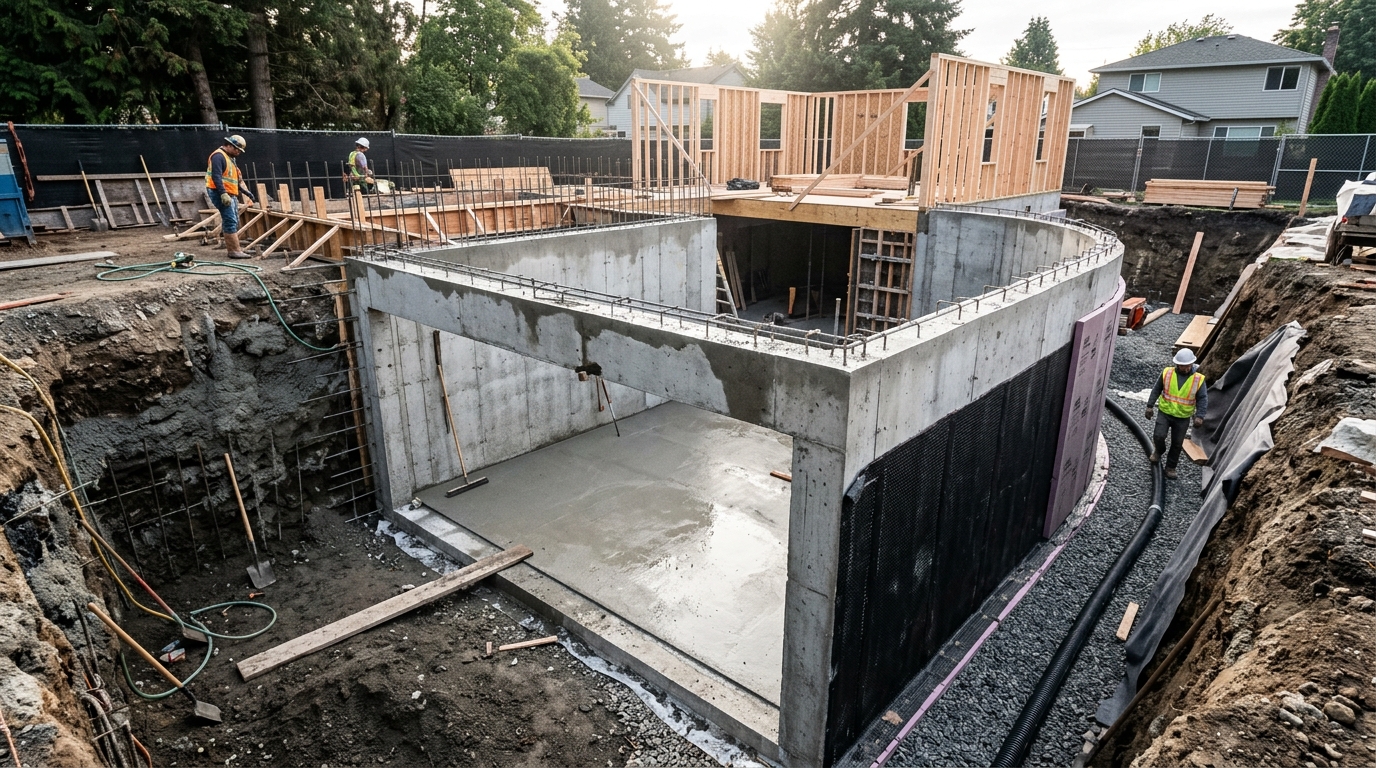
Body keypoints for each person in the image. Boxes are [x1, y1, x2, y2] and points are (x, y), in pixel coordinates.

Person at [1145, 348, 1209, 479]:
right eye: (1182, 365)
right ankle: (1159, 450)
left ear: (1192, 364)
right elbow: (1157, 389)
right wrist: (1149, 406)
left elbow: (1203, 398)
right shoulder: (1167, 373)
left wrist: (1200, 416)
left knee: (1177, 443)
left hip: (1182, 417)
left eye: (1187, 366)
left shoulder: (1198, 379)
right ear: (1177, 364)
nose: (1185, 368)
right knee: (1158, 435)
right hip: (1165, 412)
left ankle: (1171, 467)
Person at [205, 135, 256, 259]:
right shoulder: (218, 156)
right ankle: (234, 251)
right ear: (229, 145)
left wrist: (245, 192)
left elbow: (232, 181)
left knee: (234, 220)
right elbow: (216, 176)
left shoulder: (229, 159)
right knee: (230, 220)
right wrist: (223, 193)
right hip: (221, 193)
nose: (238, 152)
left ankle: (235, 248)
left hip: (229, 193)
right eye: (237, 149)